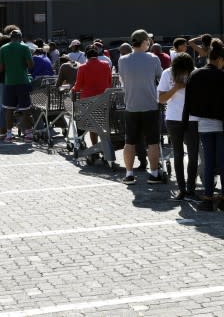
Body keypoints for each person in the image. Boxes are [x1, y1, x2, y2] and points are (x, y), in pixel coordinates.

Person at [182, 38, 224, 211]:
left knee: (209, 162)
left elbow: (187, 101)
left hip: (203, 124)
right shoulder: (223, 76)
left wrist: (184, 123)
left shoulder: (195, 75)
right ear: (220, 59)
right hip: (222, 123)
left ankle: (208, 197)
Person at [118, 29, 164, 185]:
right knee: (152, 142)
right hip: (150, 105)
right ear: (145, 42)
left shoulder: (122, 60)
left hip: (131, 106)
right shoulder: (153, 59)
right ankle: (154, 174)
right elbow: (161, 79)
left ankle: (129, 174)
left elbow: (123, 81)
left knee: (129, 142)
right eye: (148, 41)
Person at [158, 52, 198, 200]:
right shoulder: (167, 74)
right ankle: (182, 189)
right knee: (178, 154)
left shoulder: (195, 72)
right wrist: (176, 87)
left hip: (193, 118)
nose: (183, 73)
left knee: (193, 155)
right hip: (174, 118)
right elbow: (161, 99)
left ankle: (191, 189)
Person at [72, 45, 113, 147]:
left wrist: (72, 90)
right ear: (97, 55)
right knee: (101, 123)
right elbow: (109, 82)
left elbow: (78, 85)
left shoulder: (82, 67)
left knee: (93, 125)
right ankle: (103, 144)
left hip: (88, 100)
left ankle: (95, 146)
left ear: (86, 56)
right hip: (103, 98)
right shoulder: (106, 65)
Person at [0, 30, 34, 143]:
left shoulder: (3, 48)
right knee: (25, 109)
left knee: (9, 109)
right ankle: (28, 134)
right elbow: (31, 65)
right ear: (20, 38)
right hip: (22, 81)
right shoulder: (24, 48)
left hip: (9, 82)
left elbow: (0, 68)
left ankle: (9, 135)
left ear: (10, 38)